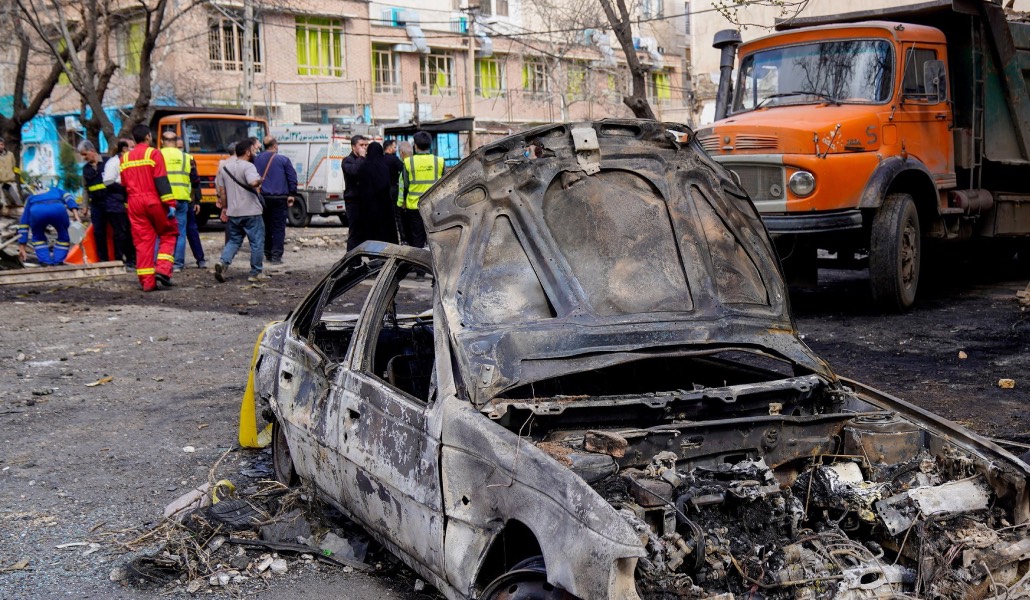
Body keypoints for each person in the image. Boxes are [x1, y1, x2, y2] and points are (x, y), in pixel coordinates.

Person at [121, 124, 178, 292]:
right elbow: (161, 180)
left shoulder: (124, 158)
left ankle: (147, 282)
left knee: (143, 241)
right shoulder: (153, 153)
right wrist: (171, 204)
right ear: (148, 137)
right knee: (169, 233)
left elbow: (124, 184)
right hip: (153, 200)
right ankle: (162, 269)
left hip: (134, 203)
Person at [214, 138, 267, 283]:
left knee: (234, 241)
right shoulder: (248, 167)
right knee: (256, 242)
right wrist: (260, 180)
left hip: (234, 211)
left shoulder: (225, 167)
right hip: (251, 211)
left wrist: (225, 208)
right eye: (254, 150)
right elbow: (252, 182)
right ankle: (255, 272)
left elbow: (222, 192)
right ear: (248, 152)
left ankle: (223, 262)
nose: (255, 152)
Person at [78, 140, 133, 266]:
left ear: (92, 151)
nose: (84, 158)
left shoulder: (109, 162)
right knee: (99, 233)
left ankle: (122, 258)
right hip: (96, 205)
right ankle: (103, 260)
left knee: (119, 231)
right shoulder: (86, 170)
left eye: (85, 154)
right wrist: (85, 206)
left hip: (111, 202)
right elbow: (85, 188)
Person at [253, 136, 297, 265]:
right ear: (275, 146)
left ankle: (267, 253)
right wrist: (292, 194)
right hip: (279, 199)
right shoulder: (283, 160)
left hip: (262, 198)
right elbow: (291, 178)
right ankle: (276, 256)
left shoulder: (256, 159)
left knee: (265, 227)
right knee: (278, 227)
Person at [400, 131, 445, 249]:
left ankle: (417, 266)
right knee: (435, 238)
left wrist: (401, 203)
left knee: (417, 239)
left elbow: (404, 185)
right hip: (434, 206)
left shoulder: (408, 162)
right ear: (430, 145)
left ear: (415, 145)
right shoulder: (439, 161)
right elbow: (446, 184)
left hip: (415, 206)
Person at [16, 184, 81, 266]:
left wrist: (22, 245)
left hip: (37, 210)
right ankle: (58, 261)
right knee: (64, 235)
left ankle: (45, 262)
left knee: (38, 237)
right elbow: (69, 198)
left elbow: (24, 222)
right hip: (57, 208)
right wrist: (76, 215)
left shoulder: (31, 197)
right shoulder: (56, 190)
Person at [103, 138, 137, 268]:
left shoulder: (130, 161)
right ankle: (120, 259)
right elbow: (108, 182)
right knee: (121, 233)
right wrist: (125, 188)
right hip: (116, 203)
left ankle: (131, 259)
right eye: (131, 147)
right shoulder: (114, 162)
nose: (134, 149)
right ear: (124, 149)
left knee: (129, 232)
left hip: (128, 201)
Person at [358, 142, 399, 244]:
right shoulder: (384, 167)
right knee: (385, 232)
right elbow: (386, 184)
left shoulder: (363, 167)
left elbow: (361, 187)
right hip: (384, 205)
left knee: (371, 232)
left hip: (368, 206)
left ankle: (372, 254)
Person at [175, 136, 206, 268]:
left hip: (186, 200)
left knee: (191, 230)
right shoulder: (185, 158)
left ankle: (200, 259)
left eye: (181, 147)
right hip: (175, 200)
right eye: (178, 147)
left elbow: (195, 180)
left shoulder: (188, 159)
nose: (179, 150)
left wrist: (197, 200)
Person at [342, 134, 369, 251]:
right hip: (353, 202)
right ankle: (353, 263)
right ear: (354, 147)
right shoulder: (347, 161)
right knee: (355, 233)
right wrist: (362, 158)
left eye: (365, 145)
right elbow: (354, 172)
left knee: (367, 232)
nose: (364, 148)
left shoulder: (366, 160)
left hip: (366, 201)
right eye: (361, 145)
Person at [394, 141, 413, 245]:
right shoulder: (416, 164)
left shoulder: (405, 166)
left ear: (401, 153)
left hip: (408, 205)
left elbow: (403, 187)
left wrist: (400, 203)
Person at [0, 138, 22, 218]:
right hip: (0, 182)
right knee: (3, 202)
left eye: (1, 144)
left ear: (4, 145)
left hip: (10, 181)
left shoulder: (10, 155)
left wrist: (18, 175)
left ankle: (19, 216)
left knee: (17, 200)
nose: (0, 146)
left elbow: (13, 166)